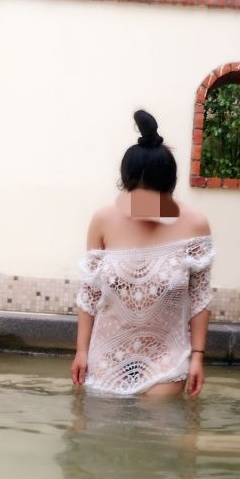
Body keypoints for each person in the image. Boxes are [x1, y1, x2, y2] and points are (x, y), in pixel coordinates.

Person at [71, 110, 215, 398]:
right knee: (97, 422)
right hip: (106, 355)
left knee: (158, 421)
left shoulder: (195, 226)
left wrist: (198, 357)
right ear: (127, 184)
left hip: (166, 356)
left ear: (169, 187)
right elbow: (89, 294)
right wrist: (81, 351)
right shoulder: (103, 221)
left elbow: (200, 297)